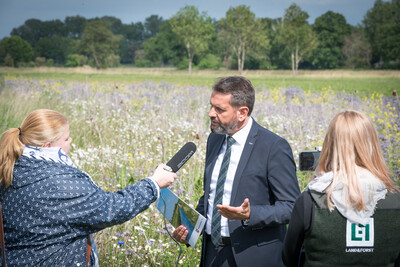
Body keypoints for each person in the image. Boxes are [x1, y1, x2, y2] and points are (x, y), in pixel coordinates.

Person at [0, 109, 177, 267]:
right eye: (67, 138)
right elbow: (111, 208)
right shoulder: (58, 182)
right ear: (48, 146)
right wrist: (153, 183)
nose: (70, 141)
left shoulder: (11, 165)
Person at [173, 76, 300, 266]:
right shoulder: (214, 139)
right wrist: (190, 228)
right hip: (212, 254)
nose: (210, 113)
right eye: (211, 106)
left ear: (242, 113)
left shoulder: (273, 147)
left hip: (254, 257)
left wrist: (250, 215)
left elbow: (292, 207)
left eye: (219, 109)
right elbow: (212, 195)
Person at [282, 110, 400, 266]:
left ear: (330, 145)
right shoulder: (395, 199)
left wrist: (317, 184)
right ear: (372, 144)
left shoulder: (310, 201)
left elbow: (289, 257)